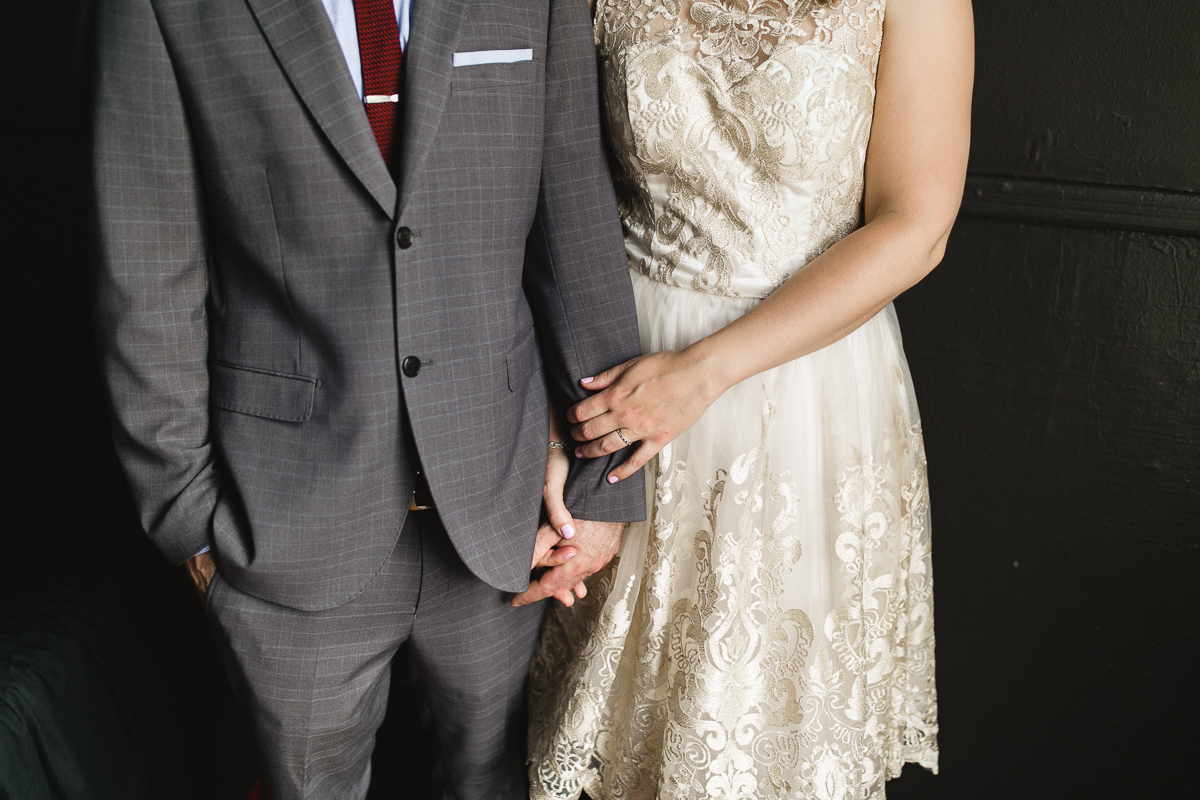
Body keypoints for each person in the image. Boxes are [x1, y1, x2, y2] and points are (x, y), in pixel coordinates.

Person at [92, 0, 645, 797]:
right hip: (283, 521)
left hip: (508, 511)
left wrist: (603, 488)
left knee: (503, 781)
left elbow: (575, 223)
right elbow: (145, 279)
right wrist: (189, 522)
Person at [522, 0, 973, 797]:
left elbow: (917, 224)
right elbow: (551, 191)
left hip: (805, 390)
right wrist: (560, 425)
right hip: (614, 374)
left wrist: (704, 371)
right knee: (613, 741)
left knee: (762, 744)